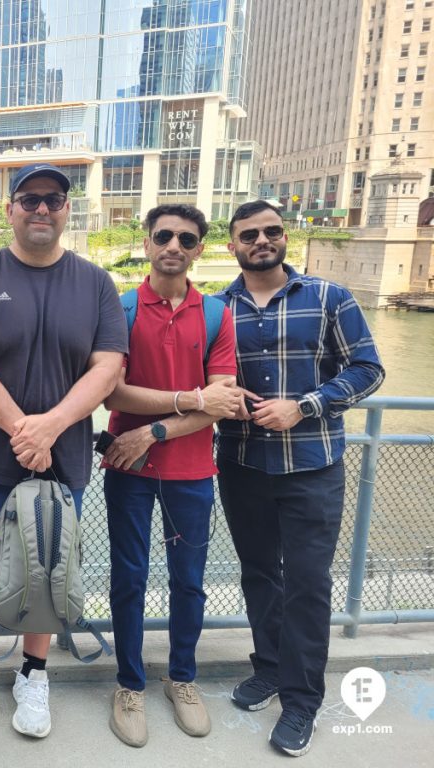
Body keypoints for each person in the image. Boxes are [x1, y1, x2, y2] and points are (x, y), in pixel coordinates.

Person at [0, 164, 127, 763]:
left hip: (60, 460)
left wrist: (51, 427)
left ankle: (33, 674)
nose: (42, 209)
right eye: (30, 199)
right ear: (10, 210)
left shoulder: (94, 283)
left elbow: (108, 367)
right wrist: (24, 428)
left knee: (48, 574)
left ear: (69, 211)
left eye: (54, 200)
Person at [217, 200, 385, 757]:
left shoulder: (329, 298)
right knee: (259, 574)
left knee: (309, 585)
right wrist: (226, 400)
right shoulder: (218, 309)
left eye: (271, 231)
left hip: (312, 465)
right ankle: (268, 667)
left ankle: (301, 701)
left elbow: (367, 369)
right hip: (242, 463)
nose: (260, 241)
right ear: (232, 244)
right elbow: (205, 378)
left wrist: (307, 405)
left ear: (284, 237)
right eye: (249, 234)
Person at [100, 204, 241, 748]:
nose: (173, 246)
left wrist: (154, 431)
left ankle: (182, 677)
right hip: (128, 469)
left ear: (200, 247)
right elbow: (113, 392)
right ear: (147, 242)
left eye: (187, 238)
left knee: (189, 581)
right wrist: (190, 399)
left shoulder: (215, 314)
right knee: (129, 578)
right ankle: (129, 684)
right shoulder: (122, 308)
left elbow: (223, 401)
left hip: (188, 470)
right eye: (164, 235)